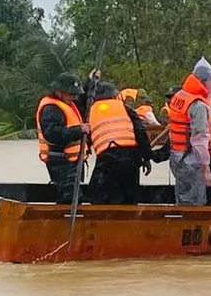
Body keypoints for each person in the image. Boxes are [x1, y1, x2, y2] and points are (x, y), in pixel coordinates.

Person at [167, 59, 211, 205]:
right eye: (210, 82)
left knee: (183, 201)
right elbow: (199, 140)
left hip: (176, 156)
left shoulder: (179, 97)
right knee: (196, 206)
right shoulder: (197, 105)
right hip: (190, 159)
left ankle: (180, 226)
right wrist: (207, 169)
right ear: (204, 82)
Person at [87, 82, 153, 204]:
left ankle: (102, 220)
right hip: (131, 157)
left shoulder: (91, 111)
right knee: (129, 195)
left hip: (107, 158)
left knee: (97, 195)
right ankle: (130, 218)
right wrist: (146, 157)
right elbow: (140, 132)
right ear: (115, 96)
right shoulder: (125, 108)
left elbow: (86, 137)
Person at [36, 72, 91, 202]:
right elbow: (53, 134)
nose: (74, 97)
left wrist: (90, 81)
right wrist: (79, 130)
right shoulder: (51, 108)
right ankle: (62, 221)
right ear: (59, 91)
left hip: (73, 162)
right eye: (71, 94)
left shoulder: (67, 103)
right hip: (61, 162)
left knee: (75, 198)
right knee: (69, 199)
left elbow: (84, 102)